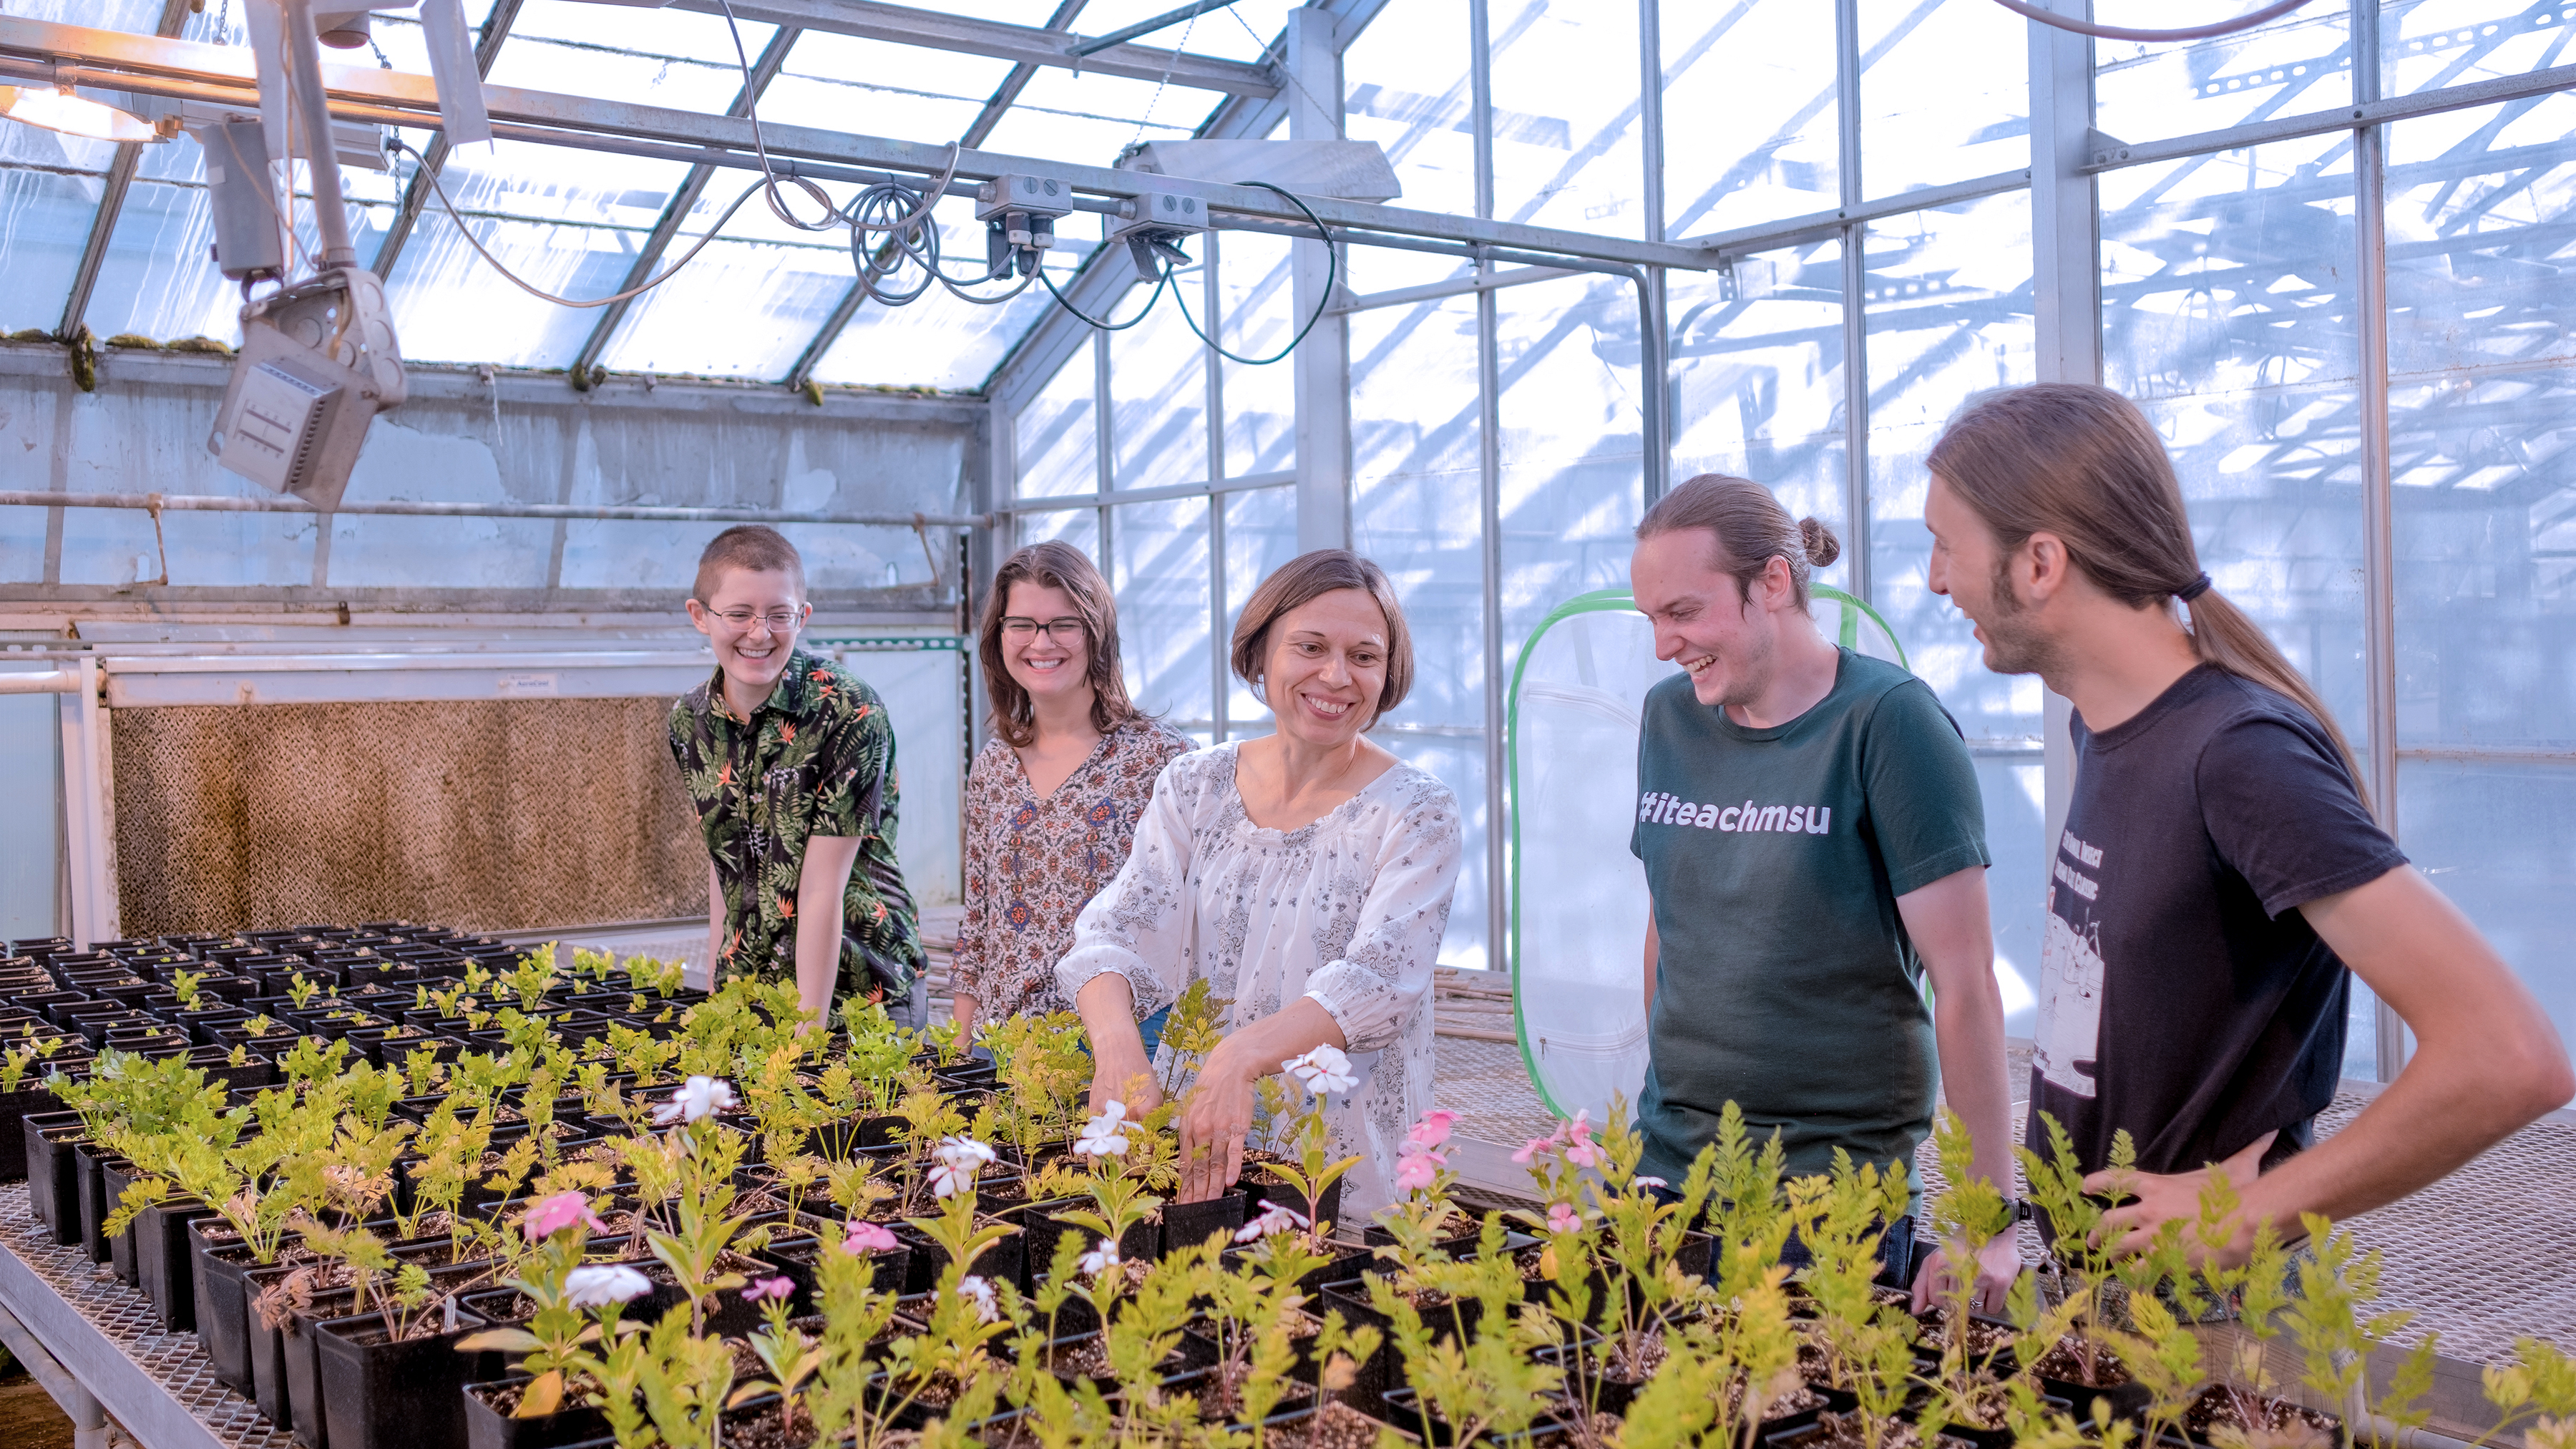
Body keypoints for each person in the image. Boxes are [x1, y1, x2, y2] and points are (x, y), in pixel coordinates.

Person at [1922, 383, 2572, 1267]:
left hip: (2215, 1319)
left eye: (1944, 546)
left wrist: (2246, 1216)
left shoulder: (2238, 755)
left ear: (2040, 563)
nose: (1935, 579)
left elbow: (2508, 1056)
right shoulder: (2104, 723)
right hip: (2112, 1294)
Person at [1628, 474, 2019, 1309]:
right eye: (1652, 620)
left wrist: (1988, 1221)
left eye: (1685, 613)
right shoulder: (1669, 718)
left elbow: (1966, 984)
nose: (1665, 644)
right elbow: (1671, 918)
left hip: (1830, 1191)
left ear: (1772, 583)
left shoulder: (1889, 723)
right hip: (1667, 1167)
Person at [1056, 549, 1463, 1217]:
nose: (1336, 676)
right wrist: (1116, 1041)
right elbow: (1117, 927)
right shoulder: (1196, 787)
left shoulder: (1416, 809)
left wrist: (1240, 1056)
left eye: (1364, 656)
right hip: (1202, 1131)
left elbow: (1379, 980)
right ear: (1262, 651)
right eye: (1310, 646)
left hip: (1334, 1152)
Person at [668, 525, 928, 1028]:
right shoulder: (690, 720)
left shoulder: (847, 709)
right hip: (755, 993)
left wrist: (805, 1034)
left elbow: (820, 887)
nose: (759, 632)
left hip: (864, 994)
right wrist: (720, 992)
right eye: (739, 614)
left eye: (778, 614)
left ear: (802, 616)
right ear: (700, 616)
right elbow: (724, 858)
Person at [951, 541, 1192, 1035]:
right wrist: (957, 1051)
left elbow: (1197, 923)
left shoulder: (1163, 760)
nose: (1041, 643)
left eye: (1064, 624)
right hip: (1007, 1046)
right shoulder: (994, 765)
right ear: (999, 636)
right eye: (1022, 624)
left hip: (1122, 1041)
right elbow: (978, 922)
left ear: (1097, 634)